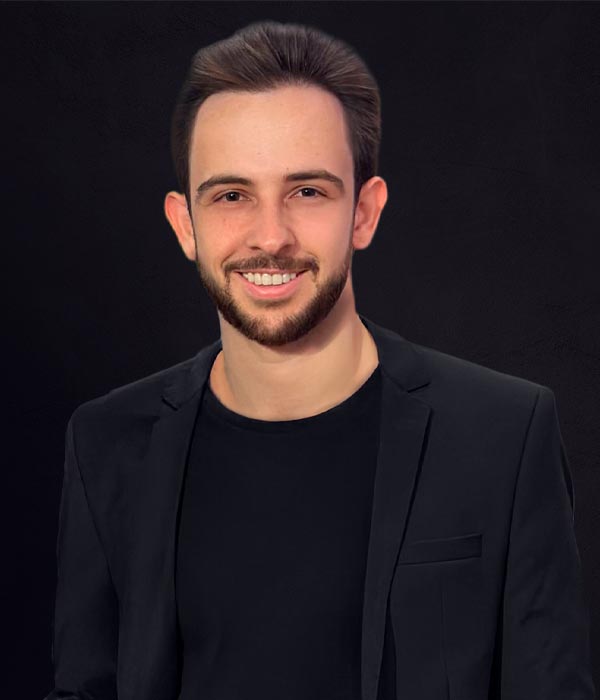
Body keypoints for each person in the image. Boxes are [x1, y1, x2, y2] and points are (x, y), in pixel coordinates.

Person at [45, 20, 596, 700]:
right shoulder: (107, 443)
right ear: (185, 224)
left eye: (307, 191)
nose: (270, 236)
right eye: (231, 195)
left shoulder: (504, 436)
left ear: (363, 212)